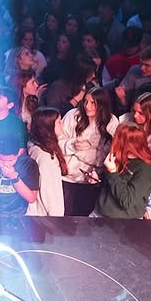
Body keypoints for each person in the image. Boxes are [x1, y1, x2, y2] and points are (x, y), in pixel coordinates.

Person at [58, 85, 118, 216]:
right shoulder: (73, 116)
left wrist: (81, 152)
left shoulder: (111, 121)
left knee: (85, 219)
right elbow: (58, 143)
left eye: (93, 103)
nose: (87, 106)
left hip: (91, 180)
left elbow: (106, 155)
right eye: (85, 101)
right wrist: (73, 145)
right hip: (68, 178)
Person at [96, 124, 151, 219]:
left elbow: (127, 201)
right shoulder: (119, 158)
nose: (113, 139)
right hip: (99, 213)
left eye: (117, 137)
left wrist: (112, 172)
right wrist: (97, 180)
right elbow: (110, 187)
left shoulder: (146, 170)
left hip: (124, 221)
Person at [26, 108, 67, 216]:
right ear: (49, 126)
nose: (62, 124)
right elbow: (48, 190)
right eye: (59, 122)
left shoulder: (40, 147)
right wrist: (56, 218)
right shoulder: (45, 157)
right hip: (44, 216)